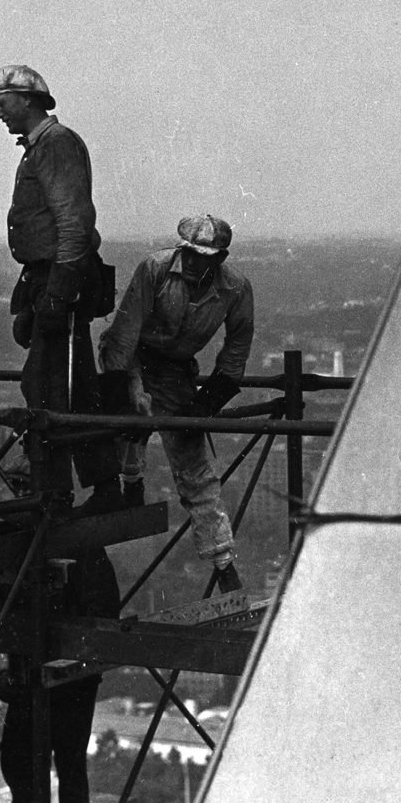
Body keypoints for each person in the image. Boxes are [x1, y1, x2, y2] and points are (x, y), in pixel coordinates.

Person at [0, 457, 121, 803]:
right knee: (24, 774)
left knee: (68, 769)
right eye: (18, 485)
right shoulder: (12, 547)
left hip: (71, 683)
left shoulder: (82, 547)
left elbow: (102, 620)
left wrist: (68, 669)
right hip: (28, 679)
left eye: (27, 485)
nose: (20, 494)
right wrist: (3, 670)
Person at [0, 64, 123, 512]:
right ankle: (97, 486)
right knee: (74, 385)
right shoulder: (40, 147)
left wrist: (58, 293)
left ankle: (53, 492)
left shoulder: (56, 144)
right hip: (47, 278)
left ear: (26, 99)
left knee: (49, 388)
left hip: (59, 277)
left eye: (1, 102)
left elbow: (73, 221)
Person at [99, 214, 255, 594]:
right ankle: (129, 482)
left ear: (220, 258)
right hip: (134, 353)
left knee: (193, 462)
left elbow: (236, 352)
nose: (198, 263)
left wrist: (204, 405)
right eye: (192, 254)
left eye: (208, 256)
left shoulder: (235, 288)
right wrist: (124, 388)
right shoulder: (155, 269)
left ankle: (222, 562)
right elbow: (125, 331)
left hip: (174, 370)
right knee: (133, 414)